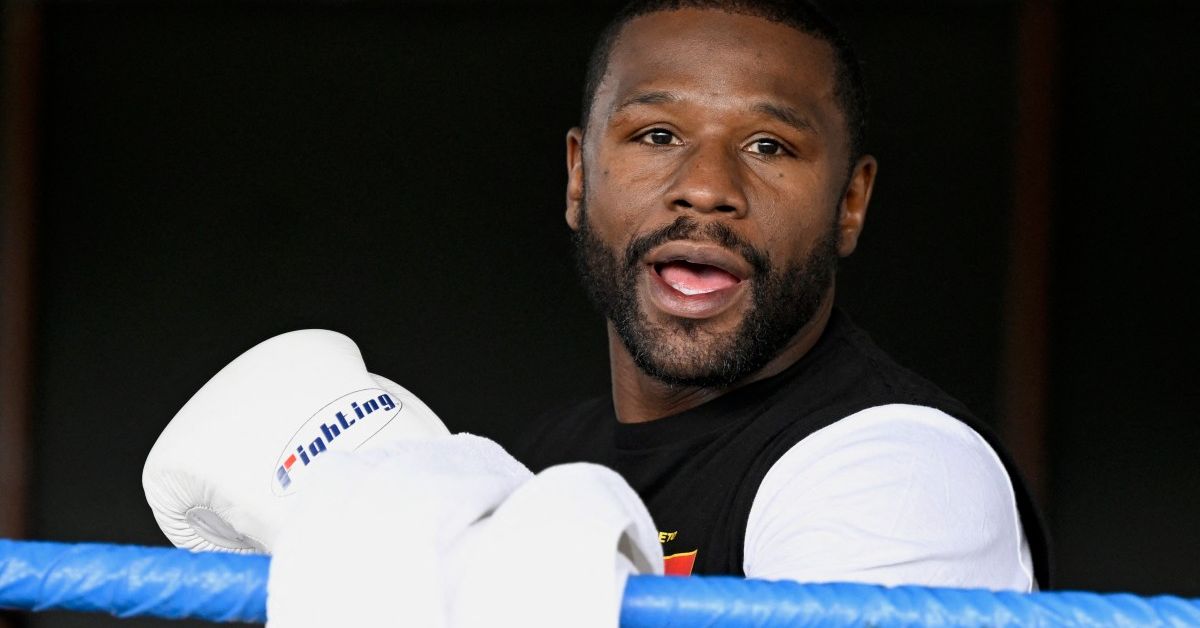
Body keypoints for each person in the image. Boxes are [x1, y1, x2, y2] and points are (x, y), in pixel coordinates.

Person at [516, 0, 1050, 590]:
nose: (706, 188)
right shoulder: (537, 464)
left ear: (850, 203)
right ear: (578, 177)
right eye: (658, 135)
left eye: (768, 146)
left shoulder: (903, 474)